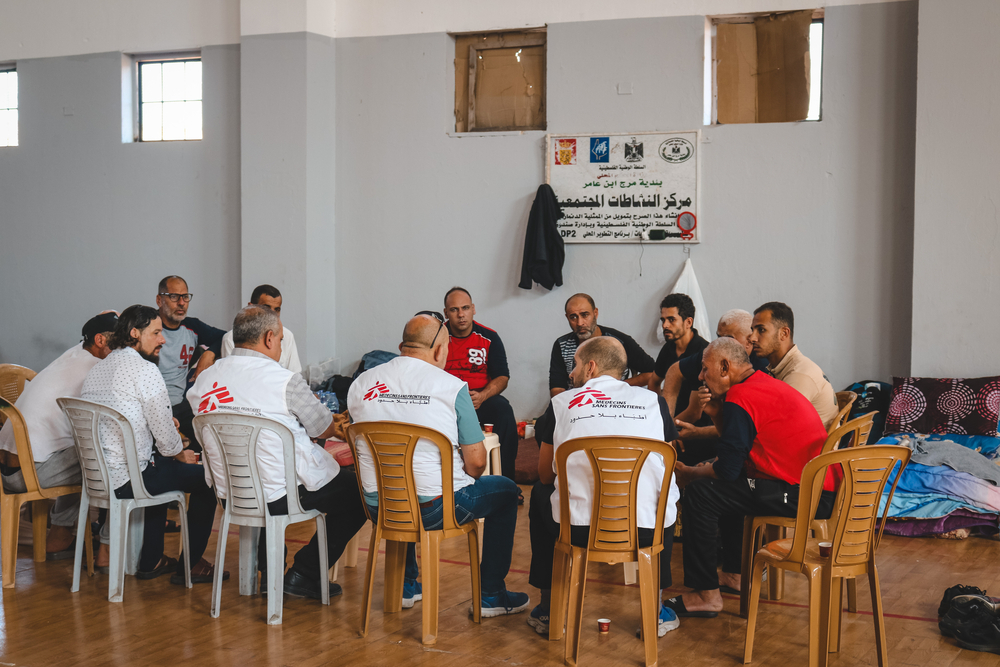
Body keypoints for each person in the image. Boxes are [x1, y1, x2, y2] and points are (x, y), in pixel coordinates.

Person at [348, 314, 530, 617]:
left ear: (401, 347)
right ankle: (491, 594)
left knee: (398, 480)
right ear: (439, 350)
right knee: (508, 491)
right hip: (435, 509)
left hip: (378, 507)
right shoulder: (452, 387)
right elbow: (476, 464)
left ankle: (405, 585)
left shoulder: (361, 383)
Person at [189, 306, 366, 600]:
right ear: (269, 338)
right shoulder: (284, 379)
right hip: (280, 494)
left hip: (229, 493)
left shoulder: (206, 379)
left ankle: (274, 574)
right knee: (359, 494)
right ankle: (304, 574)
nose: (281, 346)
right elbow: (321, 426)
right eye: (282, 340)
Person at [664, 338, 837, 617]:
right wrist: (717, 415)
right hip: (811, 486)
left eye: (705, 369)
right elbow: (737, 450)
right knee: (723, 483)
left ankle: (706, 594)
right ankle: (734, 574)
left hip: (804, 494)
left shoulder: (741, 396)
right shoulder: (759, 382)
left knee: (701, 491)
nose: (700, 376)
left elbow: (727, 470)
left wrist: (690, 475)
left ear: (724, 367)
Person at [528, 337, 682, 637]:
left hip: (579, 530)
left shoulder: (561, 404)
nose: (571, 374)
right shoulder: (654, 402)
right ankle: (656, 611)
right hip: (643, 530)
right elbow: (666, 462)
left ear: (591, 367)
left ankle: (550, 609)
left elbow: (546, 475)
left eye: (574, 366)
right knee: (660, 494)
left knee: (539, 493)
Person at [82, 305, 223, 584]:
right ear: (135, 333)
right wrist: (178, 450)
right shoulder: (145, 370)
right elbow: (169, 444)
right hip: (129, 479)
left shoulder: (98, 368)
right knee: (210, 479)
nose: (163, 340)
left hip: (96, 478)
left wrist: (167, 447)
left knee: (160, 467)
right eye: (156, 332)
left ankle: (152, 559)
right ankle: (190, 565)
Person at [0, 312, 117, 558]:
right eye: (119, 341)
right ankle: (109, 545)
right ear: (100, 341)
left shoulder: (73, 355)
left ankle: (60, 536)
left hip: (9, 469)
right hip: (31, 474)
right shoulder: (98, 369)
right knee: (112, 453)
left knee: (83, 447)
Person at [668, 309, 769, 465]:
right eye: (718, 337)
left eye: (728, 338)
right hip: (719, 427)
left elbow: (742, 433)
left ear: (750, 341)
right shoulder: (714, 352)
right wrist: (667, 426)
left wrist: (698, 433)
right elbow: (675, 371)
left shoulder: (761, 372)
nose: (720, 343)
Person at [442, 287, 519, 484]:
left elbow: (502, 376)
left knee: (503, 410)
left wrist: (483, 396)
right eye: (454, 309)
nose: (461, 314)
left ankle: (507, 482)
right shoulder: (437, 338)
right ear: (446, 313)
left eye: (465, 308)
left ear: (473, 309)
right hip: (445, 401)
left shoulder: (489, 337)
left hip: (479, 399)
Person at [155, 275, 225, 444]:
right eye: (174, 296)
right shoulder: (149, 327)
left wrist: (209, 353)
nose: (181, 303)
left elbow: (227, 337)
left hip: (180, 406)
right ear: (159, 300)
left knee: (212, 439)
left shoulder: (191, 326)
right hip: (152, 408)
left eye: (185, 297)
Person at [747, 302, 838, 429]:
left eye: (761, 330)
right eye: (752, 330)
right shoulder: (779, 368)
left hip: (815, 448)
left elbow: (772, 428)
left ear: (784, 334)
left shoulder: (800, 374)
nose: (752, 338)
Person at [549, 293, 655, 397]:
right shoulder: (562, 345)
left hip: (615, 403)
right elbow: (557, 387)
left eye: (585, 315)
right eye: (573, 317)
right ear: (567, 317)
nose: (580, 323)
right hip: (577, 405)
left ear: (595, 313)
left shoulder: (619, 341)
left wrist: (621, 386)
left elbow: (653, 373)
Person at [220, 284, 302, 373]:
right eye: (266, 308)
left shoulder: (287, 336)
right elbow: (233, 376)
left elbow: (294, 375)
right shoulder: (230, 339)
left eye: (277, 309)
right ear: (251, 307)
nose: (272, 314)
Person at [647, 292, 709, 409]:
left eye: (671, 320)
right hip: (671, 420)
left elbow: (695, 412)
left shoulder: (704, 352)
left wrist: (669, 425)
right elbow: (654, 382)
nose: (665, 325)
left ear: (688, 322)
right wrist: (657, 413)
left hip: (696, 424)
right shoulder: (668, 348)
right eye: (663, 320)